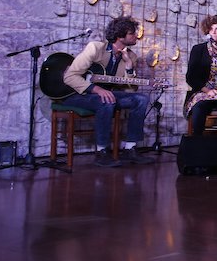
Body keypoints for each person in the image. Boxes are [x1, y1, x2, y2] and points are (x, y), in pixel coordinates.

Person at [61, 16, 153, 166]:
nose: (136, 36)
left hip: (106, 94)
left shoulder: (131, 56)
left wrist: (129, 67)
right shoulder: (96, 48)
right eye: (132, 33)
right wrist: (96, 89)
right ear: (119, 36)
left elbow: (131, 89)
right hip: (77, 94)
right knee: (106, 100)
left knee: (141, 99)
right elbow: (70, 76)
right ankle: (102, 152)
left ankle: (130, 149)